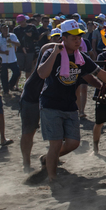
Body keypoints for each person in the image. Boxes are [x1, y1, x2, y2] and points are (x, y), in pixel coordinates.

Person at [36, 20, 106, 183]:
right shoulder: (51, 53)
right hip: (50, 105)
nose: (78, 40)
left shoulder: (81, 58)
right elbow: (42, 73)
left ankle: (47, 159)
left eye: (79, 37)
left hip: (69, 104)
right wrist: (54, 53)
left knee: (73, 143)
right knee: (56, 144)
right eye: (73, 37)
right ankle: (52, 178)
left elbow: (98, 73)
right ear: (63, 38)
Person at [19, 29, 64, 172]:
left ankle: (49, 158)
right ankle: (26, 163)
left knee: (57, 133)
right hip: (32, 97)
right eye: (56, 38)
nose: (58, 41)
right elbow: (46, 47)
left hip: (50, 99)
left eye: (60, 38)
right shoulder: (48, 50)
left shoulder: (70, 56)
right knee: (28, 131)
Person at [0, 22, 22, 95]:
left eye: (6, 28)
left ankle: (10, 84)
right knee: (4, 76)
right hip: (3, 59)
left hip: (12, 59)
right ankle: (5, 90)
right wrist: (3, 52)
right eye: (4, 28)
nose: (5, 30)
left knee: (17, 72)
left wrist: (11, 41)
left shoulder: (12, 36)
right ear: (1, 29)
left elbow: (19, 44)